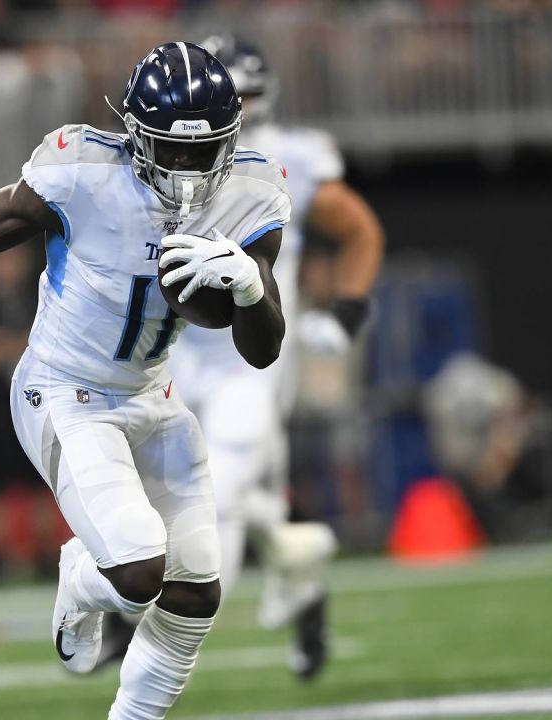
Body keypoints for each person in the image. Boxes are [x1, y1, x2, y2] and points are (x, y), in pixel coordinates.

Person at [0, 41, 289, 719]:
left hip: (153, 395)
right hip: (64, 390)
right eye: (171, 150)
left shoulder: (252, 190)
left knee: (197, 587)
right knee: (140, 571)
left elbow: (263, 350)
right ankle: (80, 578)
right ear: (136, 135)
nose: (187, 170)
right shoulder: (83, 171)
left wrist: (251, 286)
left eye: (203, 153)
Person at [159, 34, 386, 681]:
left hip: (249, 358)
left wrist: (345, 314)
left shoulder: (290, 156)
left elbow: (361, 229)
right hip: (173, 353)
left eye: (250, 95)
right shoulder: (157, 152)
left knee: (219, 492)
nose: (242, 108)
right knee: (241, 492)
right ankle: (300, 566)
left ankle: (161, 632)